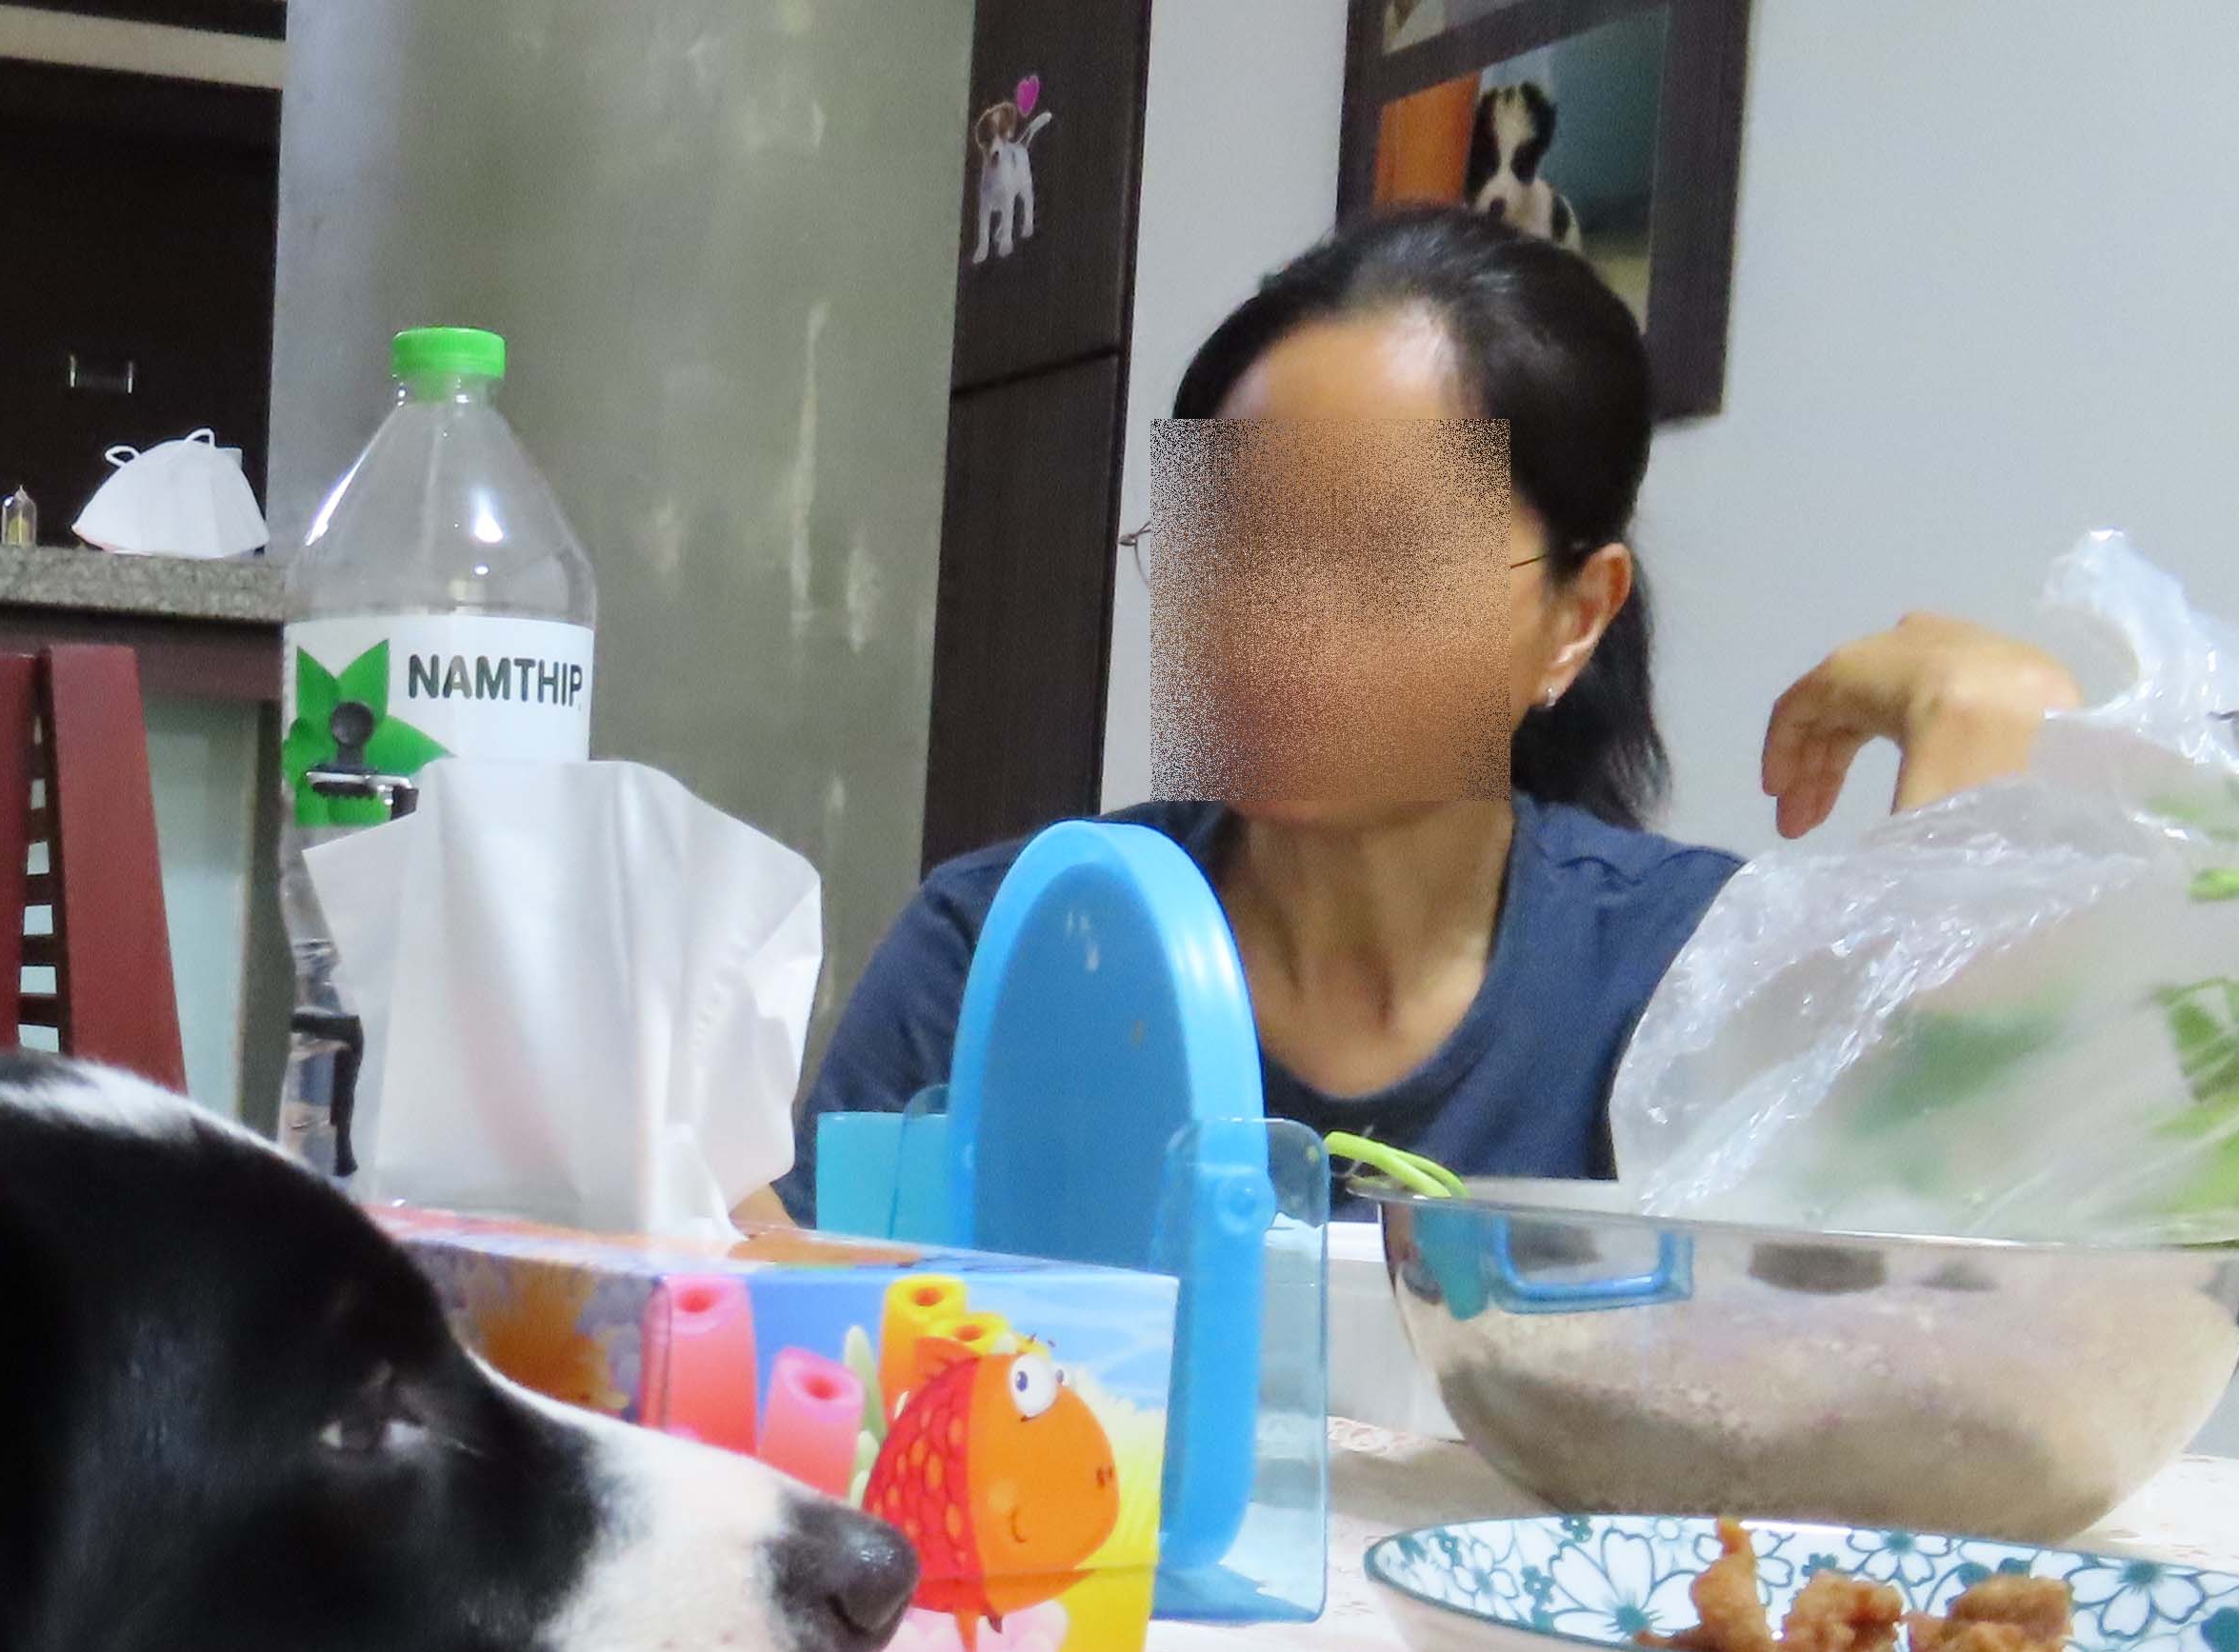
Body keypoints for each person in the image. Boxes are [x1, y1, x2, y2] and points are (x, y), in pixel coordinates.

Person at [780, 208, 2080, 1212]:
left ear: (1576, 617)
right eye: (1232, 541)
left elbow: (1953, 1309)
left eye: (1387, 555)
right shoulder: (1008, 949)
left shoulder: (1696, 981)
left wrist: (1991, 784)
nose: (1279, 621)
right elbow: (804, 1347)